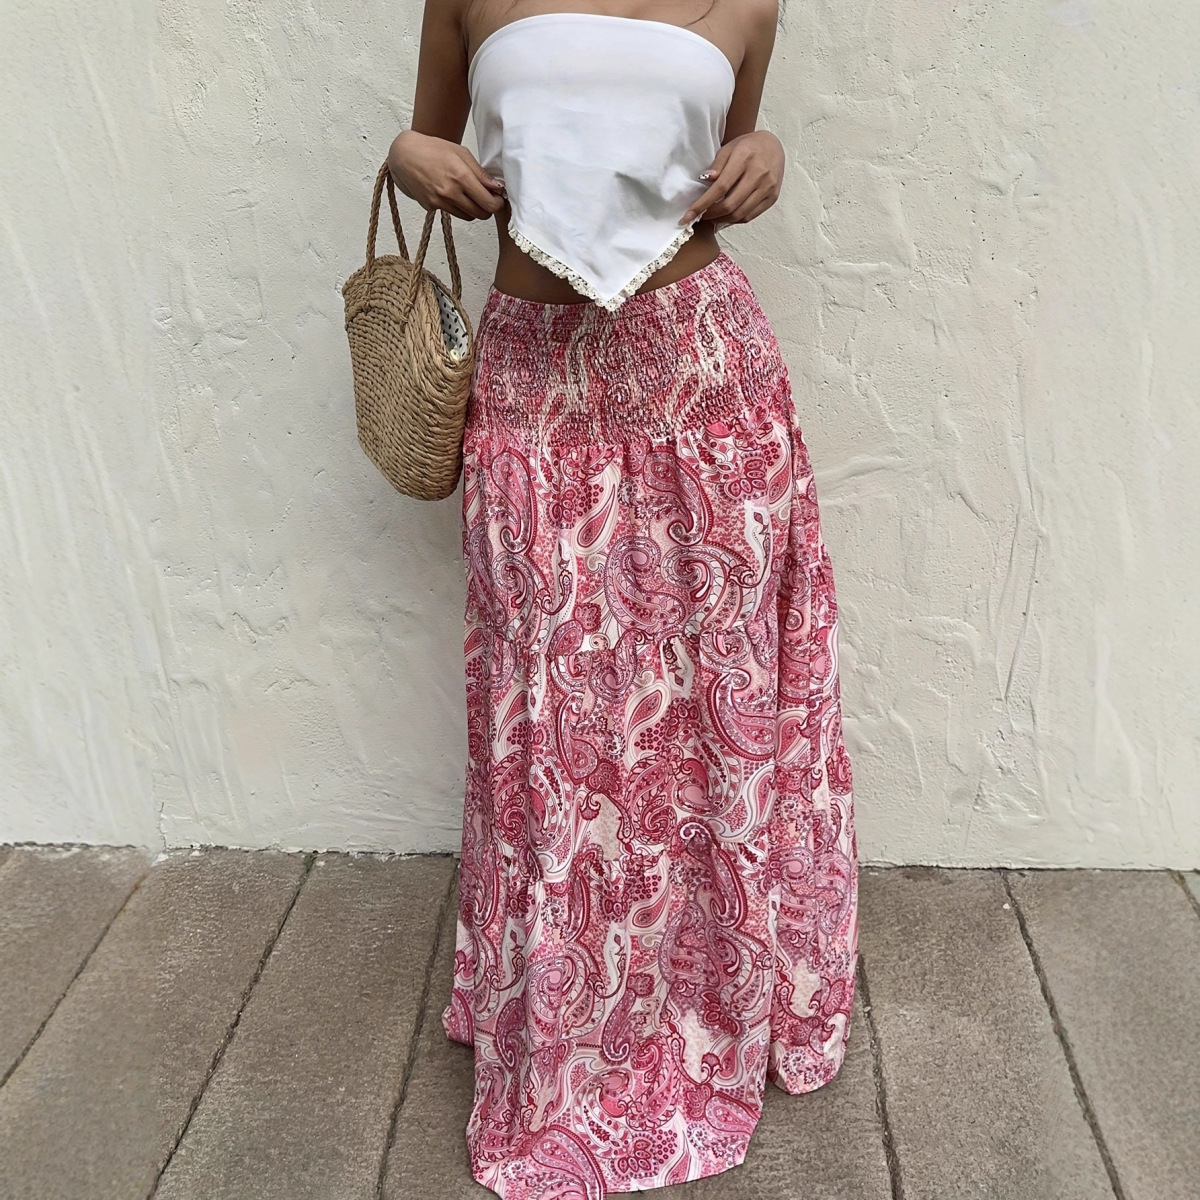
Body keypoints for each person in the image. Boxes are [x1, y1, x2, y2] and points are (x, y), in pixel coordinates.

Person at [387, 2, 859, 1195]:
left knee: (715, 706)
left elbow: (715, 165)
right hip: (532, 378)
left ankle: (711, 1000)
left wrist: (767, 155)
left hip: (704, 374)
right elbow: (430, 138)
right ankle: (564, 1022)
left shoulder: (748, 0)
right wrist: (406, 155)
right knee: (550, 708)